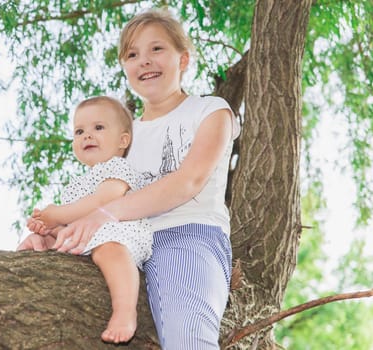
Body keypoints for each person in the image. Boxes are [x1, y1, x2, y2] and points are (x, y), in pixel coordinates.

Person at [50, 9, 240, 350]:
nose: (144, 62)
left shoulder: (211, 111)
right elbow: (100, 191)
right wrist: (55, 230)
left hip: (186, 233)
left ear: (183, 59)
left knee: (188, 341)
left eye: (157, 49)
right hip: (124, 239)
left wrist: (105, 214)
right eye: (132, 54)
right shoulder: (123, 136)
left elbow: (189, 181)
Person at [17, 96, 152, 344]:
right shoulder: (75, 185)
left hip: (120, 232)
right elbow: (72, 223)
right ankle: (38, 243)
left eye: (98, 128)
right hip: (87, 237)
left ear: (123, 140)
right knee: (47, 238)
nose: (87, 136)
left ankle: (125, 311)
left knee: (110, 250)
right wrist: (50, 228)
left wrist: (56, 214)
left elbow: (103, 200)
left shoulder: (118, 167)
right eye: (79, 131)